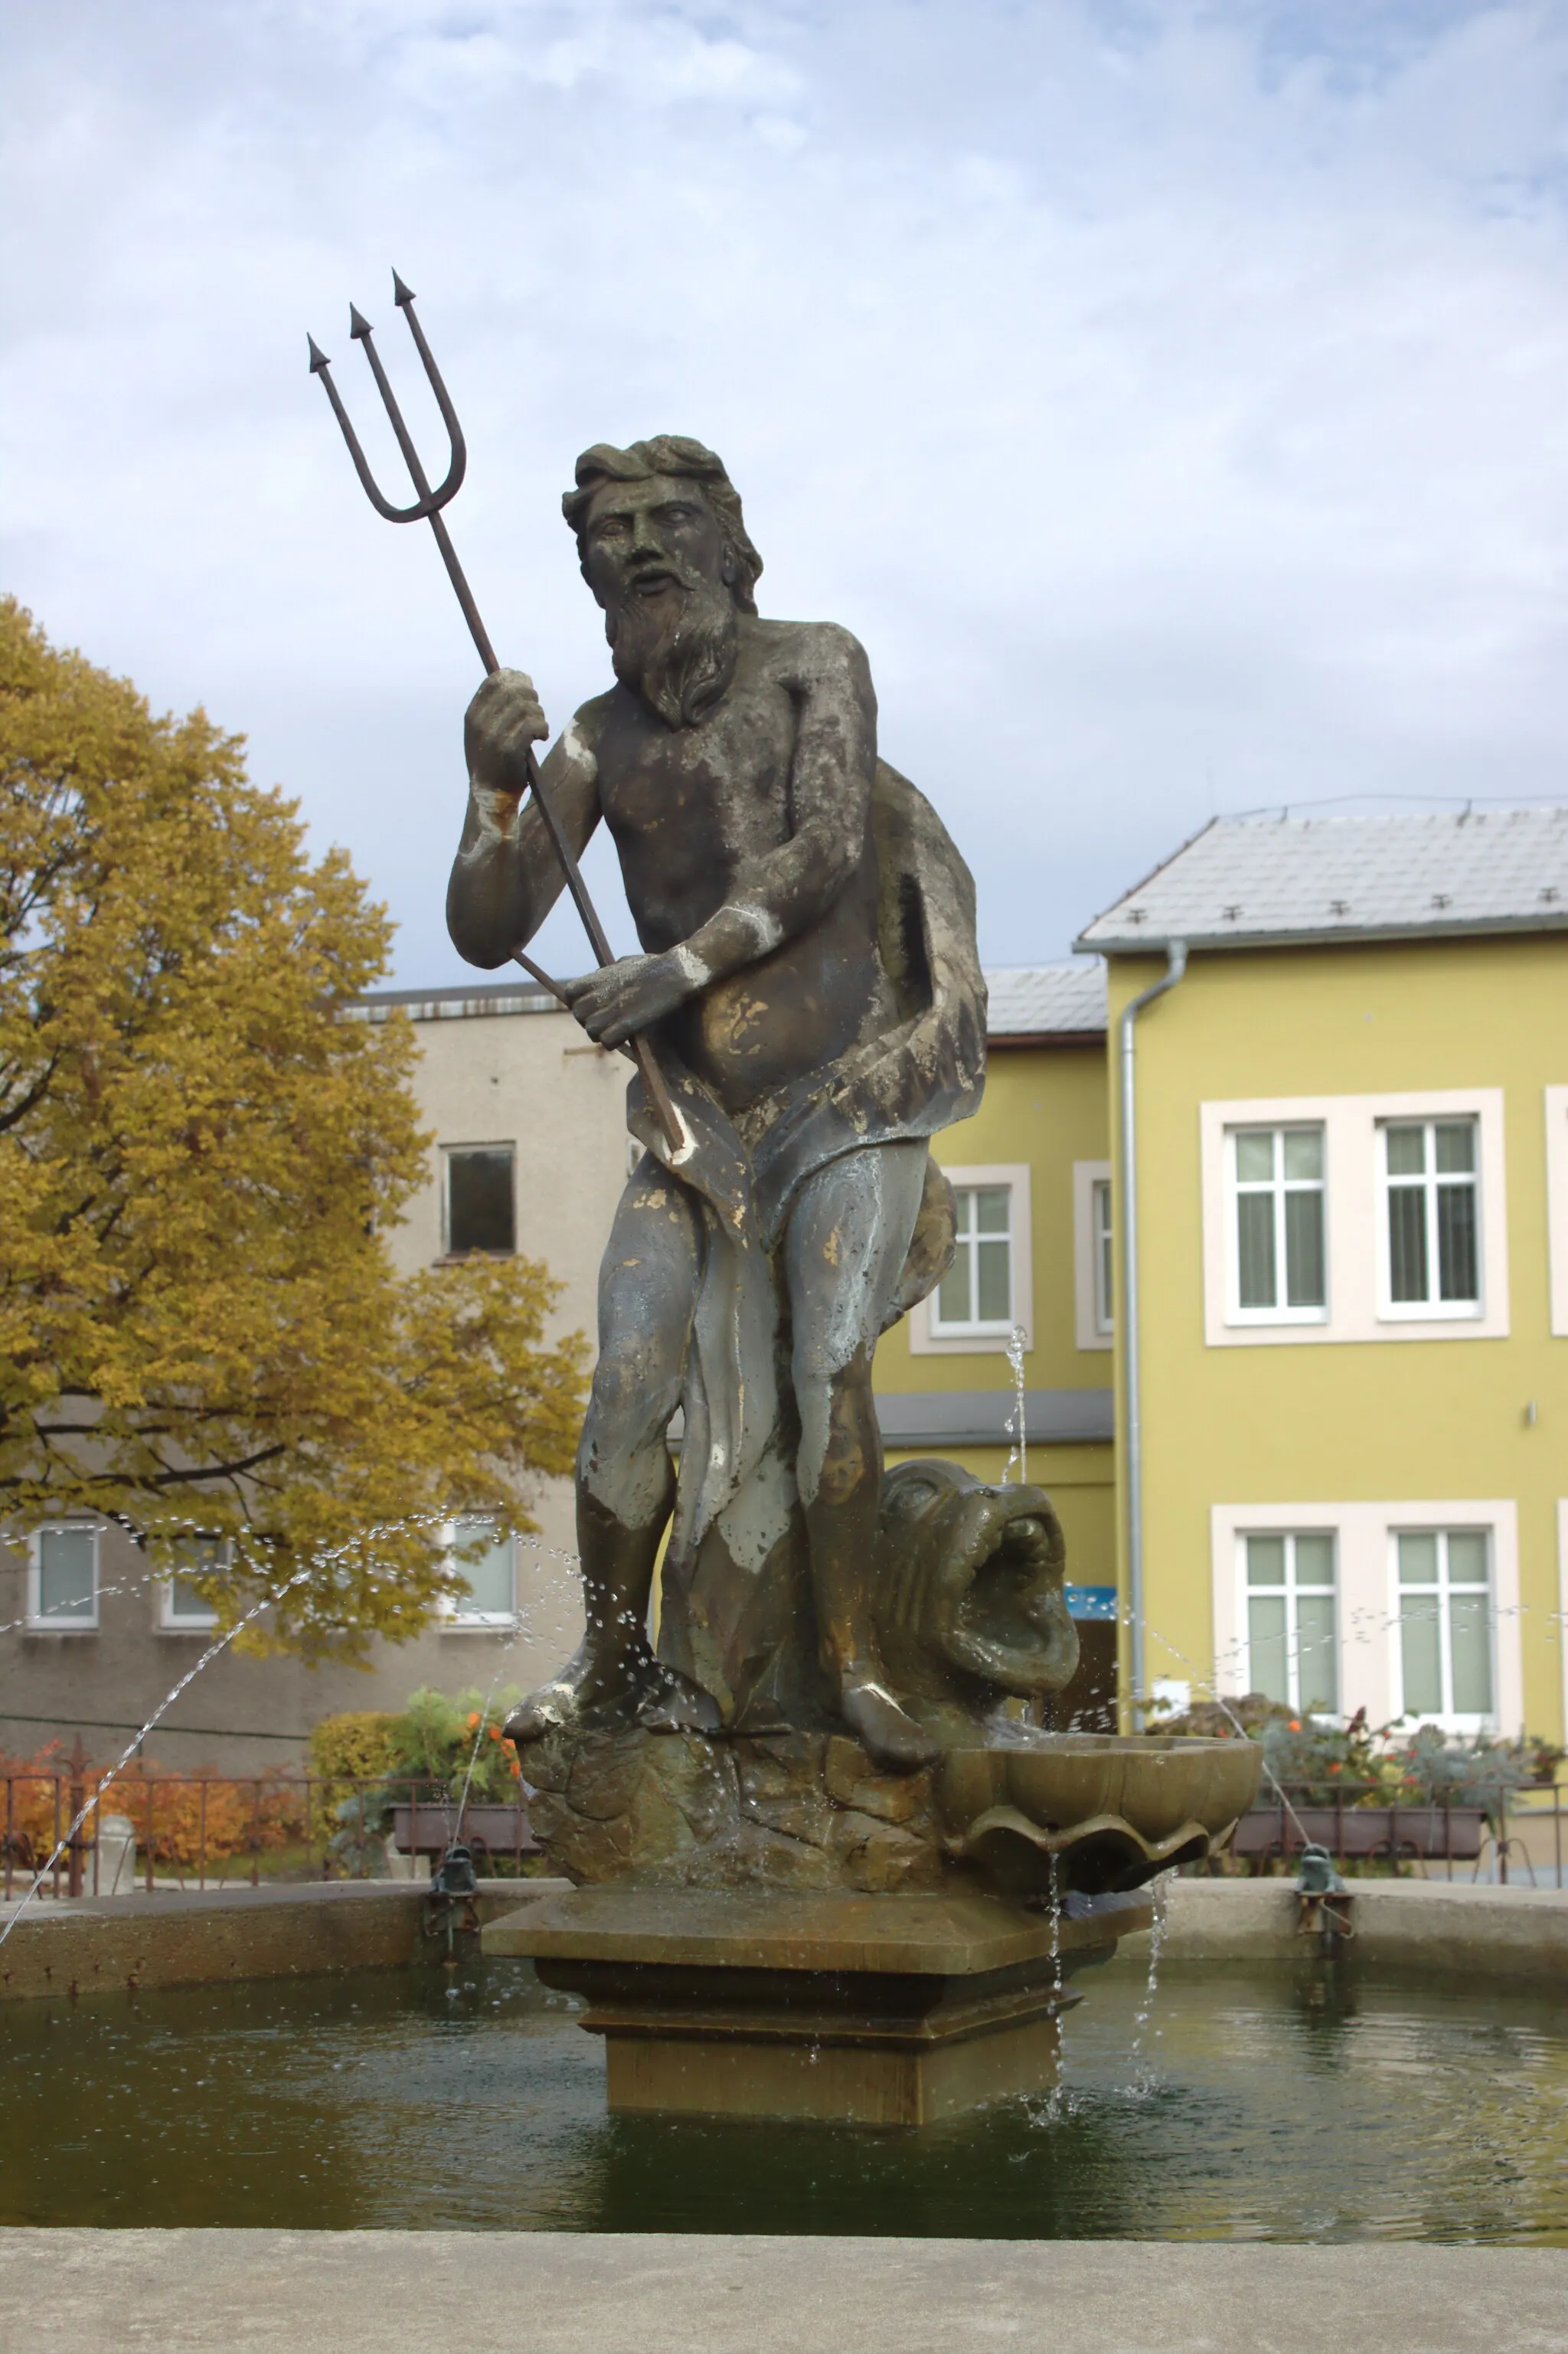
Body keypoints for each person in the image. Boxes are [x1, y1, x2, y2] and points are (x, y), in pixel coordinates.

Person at [447, 437, 984, 1770]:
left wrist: (675, 968)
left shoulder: (817, 662)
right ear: (593, 583)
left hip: (842, 1094)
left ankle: (856, 1665)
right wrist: (489, 789)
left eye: (668, 522)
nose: (641, 548)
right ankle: (612, 1659)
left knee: (825, 1366)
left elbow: (825, 849)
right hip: (687, 1121)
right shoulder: (594, 735)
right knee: (623, 1386)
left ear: (730, 545)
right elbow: (484, 925)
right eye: (613, 535)